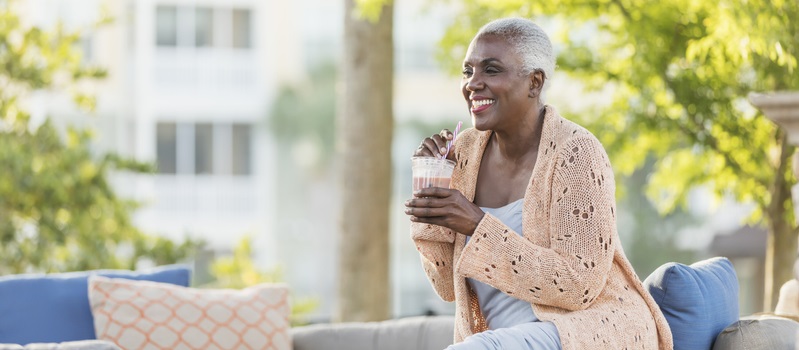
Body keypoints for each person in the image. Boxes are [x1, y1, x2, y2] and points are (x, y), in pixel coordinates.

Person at [403, 18, 673, 349]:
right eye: (468, 71)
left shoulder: (575, 153)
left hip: (584, 331)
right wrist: (430, 201)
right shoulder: (462, 154)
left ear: (534, 82)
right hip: (502, 339)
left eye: (490, 70)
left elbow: (578, 285)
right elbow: (446, 288)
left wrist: (476, 224)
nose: (473, 83)